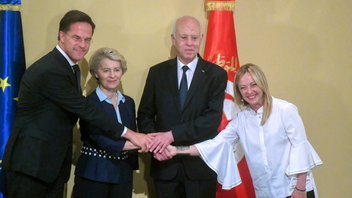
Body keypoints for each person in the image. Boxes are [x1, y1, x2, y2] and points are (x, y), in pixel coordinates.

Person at [2, 10, 150, 198]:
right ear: (61, 36)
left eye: (87, 40)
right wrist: (131, 134)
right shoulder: (51, 69)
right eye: (77, 38)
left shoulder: (70, 67)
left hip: (50, 167)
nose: (82, 45)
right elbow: (85, 109)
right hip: (30, 166)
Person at [159, 63, 323, 198]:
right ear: (239, 92)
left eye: (253, 85)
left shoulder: (285, 110)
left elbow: (301, 148)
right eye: (243, 88)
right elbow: (213, 145)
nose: (249, 92)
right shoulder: (240, 121)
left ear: (262, 84)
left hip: (294, 190)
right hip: (265, 193)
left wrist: (300, 189)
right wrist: (175, 150)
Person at [137, 16, 228, 198]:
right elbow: (145, 115)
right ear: (173, 39)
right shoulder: (157, 73)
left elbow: (210, 121)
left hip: (200, 168)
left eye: (194, 38)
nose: (189, 43)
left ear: (201, 39)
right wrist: (157, 146)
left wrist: (171, 136)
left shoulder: (216, 75)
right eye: (183, 37)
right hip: (164, 166)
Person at [72, 47, 139, 198]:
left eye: (117, 70)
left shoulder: (128, 102)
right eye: (106, 70)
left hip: (123, 175)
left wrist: (143, 142)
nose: (112, 76)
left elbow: (131, 134)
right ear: (96, 73)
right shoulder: (88, 104)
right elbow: (102, 140)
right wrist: (145, 143)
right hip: (94, 175)